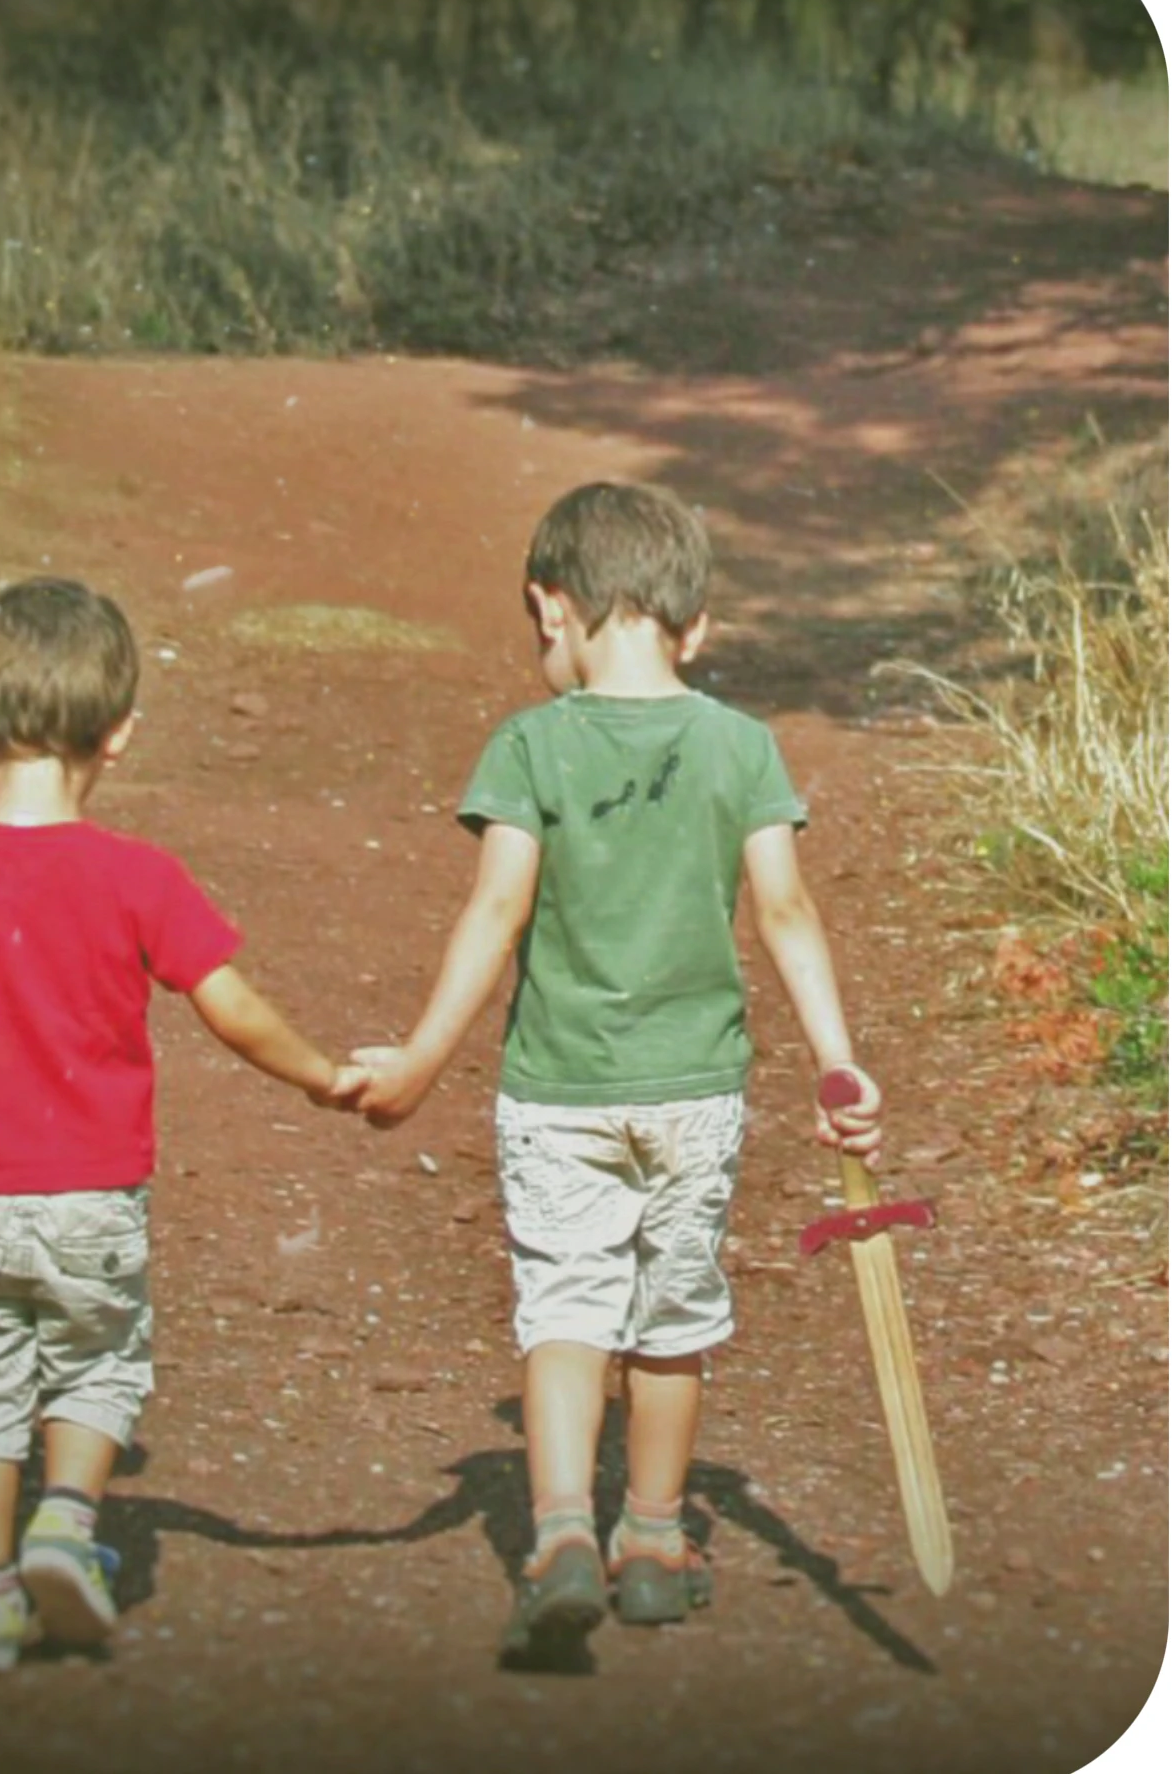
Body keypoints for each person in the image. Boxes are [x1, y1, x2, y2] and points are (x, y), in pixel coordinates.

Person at [350, 481, 883, 1657]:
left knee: (565, 1310)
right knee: (673, 1318)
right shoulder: (742, 747)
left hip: (559, 1098)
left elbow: (495, 916)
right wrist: (840, 1066)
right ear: (696, 627)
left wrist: (420, 1061)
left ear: (554, 609)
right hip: (696, 1094)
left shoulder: (531, 745)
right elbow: (787, 912)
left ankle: (560, 1539)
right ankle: (652, 1535)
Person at [0, 576, 360, 1671]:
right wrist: (319, 1076)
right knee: (94, 1365)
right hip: (88, 1198)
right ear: (120, 736)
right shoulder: (138, 877)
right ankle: (68, 1521)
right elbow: (232, 1007)